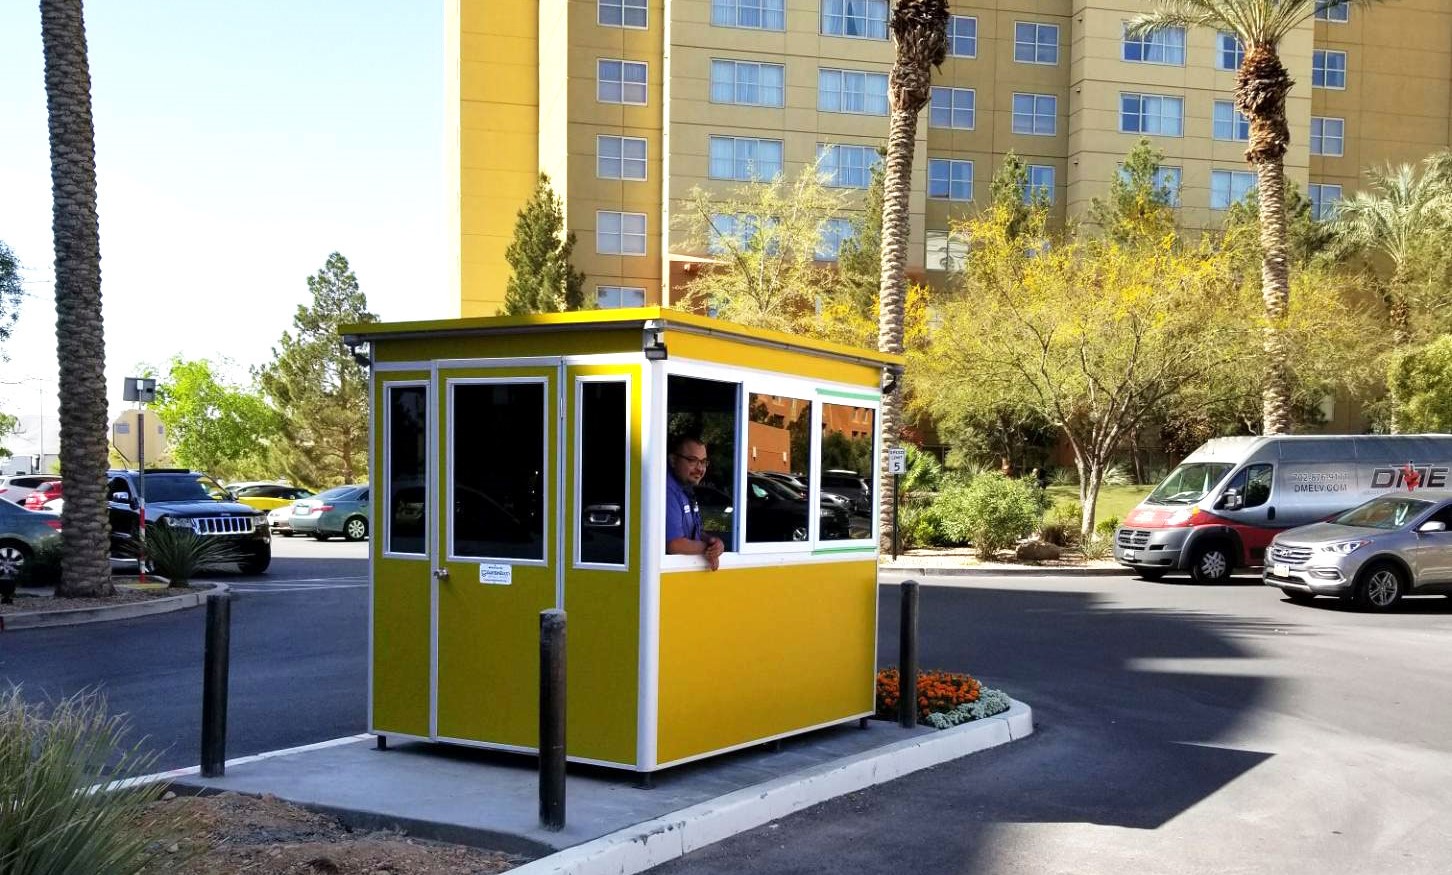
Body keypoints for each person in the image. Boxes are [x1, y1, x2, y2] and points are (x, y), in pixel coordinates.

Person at [666, 434, 725, 570]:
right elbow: (674, 544)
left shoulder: (685, 488)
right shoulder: (667, 491)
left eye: (703, 462)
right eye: (693, 460)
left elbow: (693, 532)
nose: (700, 468)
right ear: (673, 460)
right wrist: (709, 549)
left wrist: (712, 541)